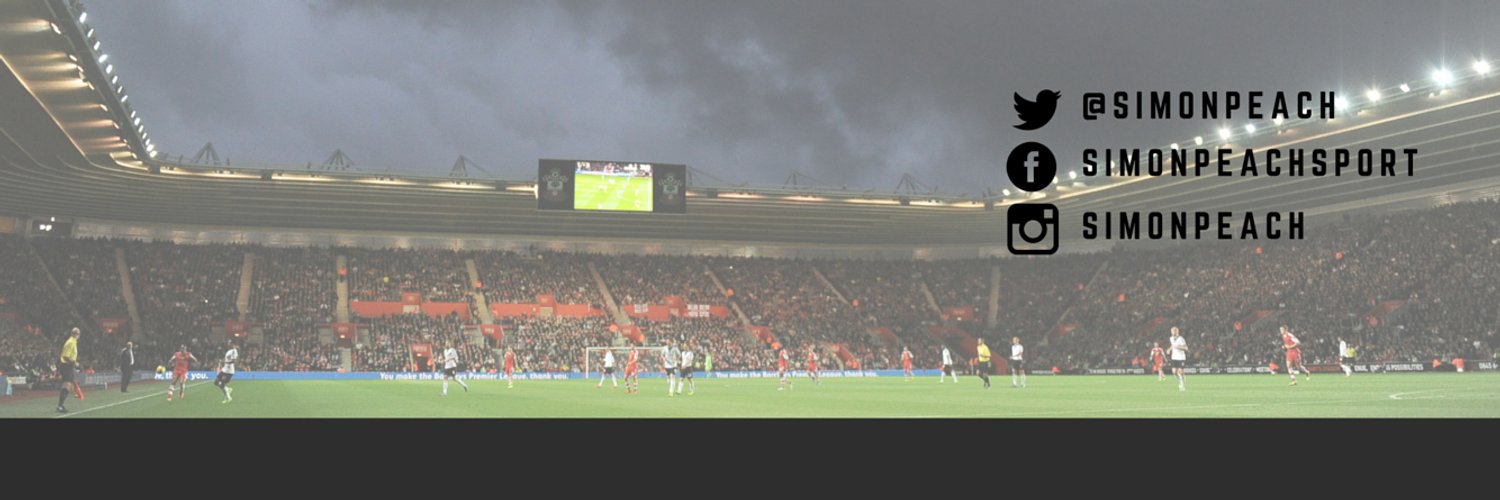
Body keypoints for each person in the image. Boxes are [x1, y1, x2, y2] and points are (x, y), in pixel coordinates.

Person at [56, 328, 82, 413]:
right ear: (76, 334)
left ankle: (61, 404)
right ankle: (60, 406)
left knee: (69, 386)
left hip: (69, 366)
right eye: (78, 334)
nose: (78, 336)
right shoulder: (70, 342)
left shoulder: (73, 342)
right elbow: (65, 356)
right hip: (66, 366)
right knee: (67, 385)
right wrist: (74, 363)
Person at [1168, 327, 1188, 392]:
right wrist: (1169, 349)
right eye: (1171, 331)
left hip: (1181, 357)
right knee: (1174, 372)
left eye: (1174, 331)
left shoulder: (1181, 339)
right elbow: (1172, 345)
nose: (1172, 332)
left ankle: (1183, 385)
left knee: (1181, 372)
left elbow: (1186, 348)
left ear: (1177, 331)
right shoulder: (1171, 338)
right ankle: (1180, 382)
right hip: (1174, 357)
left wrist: (1179, 347)